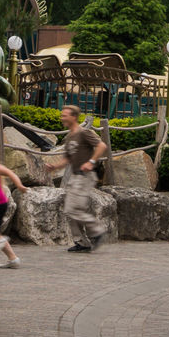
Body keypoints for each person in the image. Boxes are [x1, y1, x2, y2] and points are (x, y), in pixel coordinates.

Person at [54, 104, 110, 253]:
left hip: (85, 177)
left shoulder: (84, 132)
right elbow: (67, 158)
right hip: (75, 176)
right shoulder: (70, 136)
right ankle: (81, 242)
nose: (62, 118)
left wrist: (91, 162)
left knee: (72, 209)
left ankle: (97, 230)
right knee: (70, 210)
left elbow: (102, 146)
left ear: (74, 117)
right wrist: (54, 167)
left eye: (64, 115)